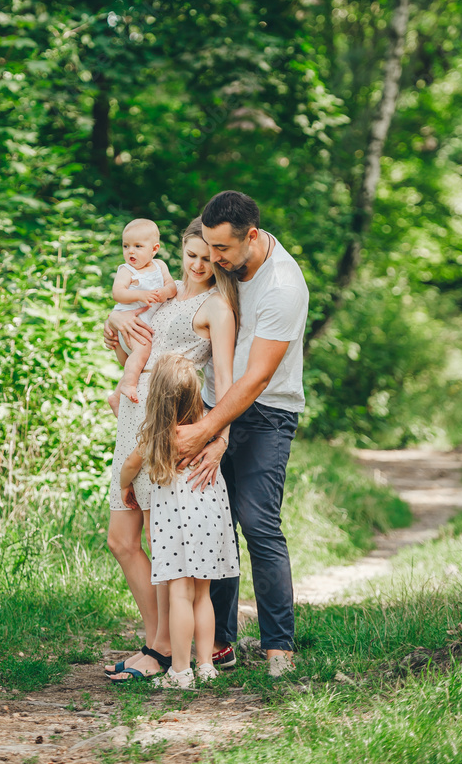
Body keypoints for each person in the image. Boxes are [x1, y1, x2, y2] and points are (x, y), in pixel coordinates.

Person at [174, 191, 309, 678]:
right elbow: (181, 297)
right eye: (208, 247)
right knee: (213, 524)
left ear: (251, 236)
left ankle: (279, 648)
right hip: (211, 402)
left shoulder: (283, 287)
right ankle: (221, 643)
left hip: (267, 413)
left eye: (222, 251)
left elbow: (255, 379)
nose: (213, 259)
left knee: (257, 524)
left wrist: (208, 431)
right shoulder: (220, 255)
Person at [103, 217, 239, 682]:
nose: (199, 265)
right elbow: (137, 358)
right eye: (192, 255)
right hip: (131, 415)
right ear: (178, 251)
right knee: (122, 540)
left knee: (159, 542)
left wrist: (219, 437)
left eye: (208, 257)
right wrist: (115, 332)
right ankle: (157, 638)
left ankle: (160, 648)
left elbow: (224, 380)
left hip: (166, 428)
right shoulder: (162, 290)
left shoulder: (216, 306)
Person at [119, 354, 239, 689]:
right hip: (211, 516)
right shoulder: (207, 433)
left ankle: (180, 672)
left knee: (181, 594)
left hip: (176, 523)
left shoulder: (158, 435)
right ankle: (205, 666)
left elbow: (129, 466)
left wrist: (126, 484)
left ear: (157, 397)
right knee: (203, 595)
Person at [108, 219, 177, 416]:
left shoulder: (159, 266)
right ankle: (128, 385)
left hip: (142, 325)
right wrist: (139, 295)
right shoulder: (126, 270)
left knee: (138, 358)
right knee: (143, 349)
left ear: (154, 249)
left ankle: (115, 397)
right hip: (130, 324)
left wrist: (165, 292)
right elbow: (117, 293)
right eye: (126, 246)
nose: (131, 251)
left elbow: (172, 286)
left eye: (138, 246)